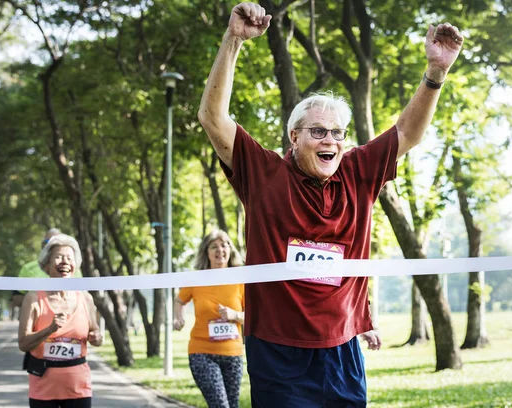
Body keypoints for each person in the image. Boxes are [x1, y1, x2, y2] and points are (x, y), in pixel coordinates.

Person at [197, 2, 463, 406]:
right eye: (318, 131)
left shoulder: (357, 170)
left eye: (338, 133)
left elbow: (408, 133)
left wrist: (436, 73)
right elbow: (213, 118)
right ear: (294, 137)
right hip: (277, 348)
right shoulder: (265, 173)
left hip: (342, 347)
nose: (331, 141)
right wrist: (233, 39)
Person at [18, 234, 102, 408]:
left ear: (75, 266)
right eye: (58, 257)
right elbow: (24, 344)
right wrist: (50, 329)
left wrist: (97, 338)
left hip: (78, 387)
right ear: (46, 266)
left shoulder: (85, 298)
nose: (64, 261)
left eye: (69, 258)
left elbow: (96, 333)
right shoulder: (33, 298)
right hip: (43, 388)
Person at [173, 230, 245, 408]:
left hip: (233, 354)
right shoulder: (197, 278)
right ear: (207, 252)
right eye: (214, 246)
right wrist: (178, 318)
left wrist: (234, 315)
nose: (220, 250)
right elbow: (179, 300)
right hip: (202, 353)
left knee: (233, 405)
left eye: (224, 245)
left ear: (230, 250)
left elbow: (253, 316)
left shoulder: (241, 278)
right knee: (221, 405)